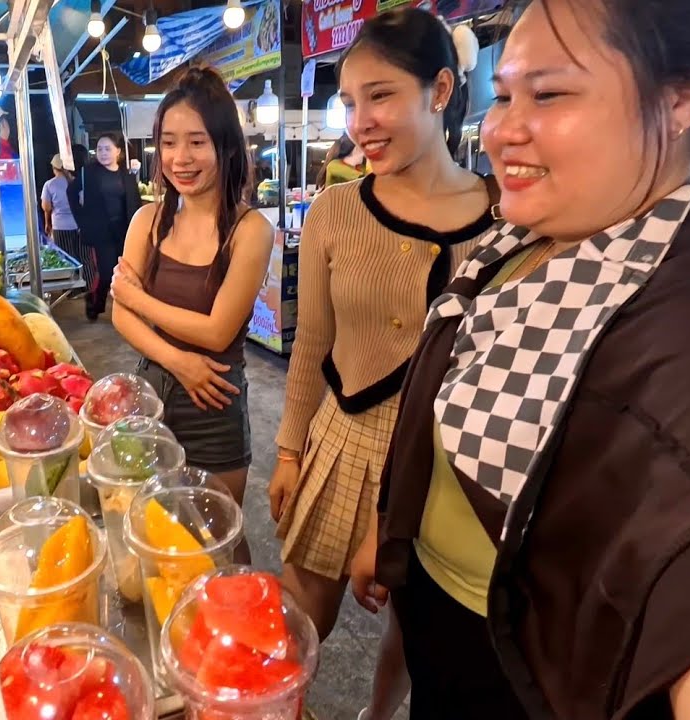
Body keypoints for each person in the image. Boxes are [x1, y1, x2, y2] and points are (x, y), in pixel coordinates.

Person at [349, 1, 690, 719]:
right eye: (506, 94)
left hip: (531, 666)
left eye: (550, 94)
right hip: (438, 606)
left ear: (684, 94)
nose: (502, 130)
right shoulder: (535, 231)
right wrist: (390, 528)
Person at [267, 8, 498, 720]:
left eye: (380, 96)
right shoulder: (335, 209)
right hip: (343, 438)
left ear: (438, 90)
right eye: (349, 102)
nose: (360, 121)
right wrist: (287, 449)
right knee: (296, 615)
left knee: (418, 623)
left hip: (442, 464)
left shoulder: (506, 218)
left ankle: (378, 711)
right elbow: (311, 343)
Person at [109, 65, 273, 510]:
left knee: (217, 537)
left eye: (197, 142)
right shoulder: (148, 220)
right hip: (151, 395)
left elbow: (218, 331)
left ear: (224, 146)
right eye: (168, 142)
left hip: (214, 403)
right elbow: (120, 314)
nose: (180, 158)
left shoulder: (251, 230)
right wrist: (177, 360)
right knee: (152, 528)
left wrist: (139, 298)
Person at [70, 132, 142, 321]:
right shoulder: (89, 172)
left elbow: (134, 200)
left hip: (124, 230)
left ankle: (122, 307)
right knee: (106, 270)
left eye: (107, 149)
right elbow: (71, 192)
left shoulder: (125, 174)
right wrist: (82, 218)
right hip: (101, 231)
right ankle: (95, 301)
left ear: (118, 151)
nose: (102, 153)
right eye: (99, 149)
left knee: (125, 270)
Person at [41, 154, 90, 273]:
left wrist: (47, 223)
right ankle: (84, 283)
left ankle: (69, 286)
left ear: (54, 168)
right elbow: (84, 203)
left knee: (64, 258)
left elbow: (46, 207)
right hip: (78, 226)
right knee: (80, 257)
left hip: (60, 227)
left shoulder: (50, 184)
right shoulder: (77, 182)